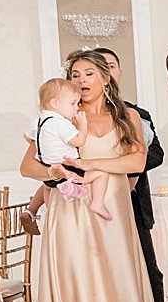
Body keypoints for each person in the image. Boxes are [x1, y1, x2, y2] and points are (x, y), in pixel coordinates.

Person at [17, 51, 168, 302]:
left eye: (88, 73)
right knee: (76, 286)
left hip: (112, 212)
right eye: (75, 74)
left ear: (105, 77)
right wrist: (54, 171)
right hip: (68, 214)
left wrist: (87, 163)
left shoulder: (126, 115)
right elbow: (28, 167)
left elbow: (138, 159)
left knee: (117, 283)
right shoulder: (57, 118)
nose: (81, 79)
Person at [94, 47, 168, 302]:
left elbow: (155, 154)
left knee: (149, 273)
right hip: (93, 207)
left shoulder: (136, 113)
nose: (106, 72)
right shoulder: (76, 116)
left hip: (134, 205)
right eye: (99, 67)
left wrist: (121, 166)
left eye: (110, 66)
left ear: (119, 73)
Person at [26, 78, 115, 222]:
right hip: (67, 168)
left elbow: (27, 137)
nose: (76, 108)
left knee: (48, 188)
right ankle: (97, 203)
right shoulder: (61, 123)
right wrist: (83, 125)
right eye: (73, 103)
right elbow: (78, 141)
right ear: (55, 103)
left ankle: (51, 211)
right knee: (101, 174)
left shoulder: (37, 121)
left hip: (48, 169)